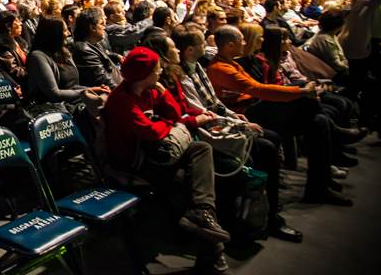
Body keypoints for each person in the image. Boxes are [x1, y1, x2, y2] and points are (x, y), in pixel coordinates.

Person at [104, 47, 231, 272]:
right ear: (145, 73)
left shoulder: (150, 91)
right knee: (189, 180)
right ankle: (212, 247)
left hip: (158, 153)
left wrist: (163, 95)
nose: (160, 72)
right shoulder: (121, 100)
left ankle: (202, 213)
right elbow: (152, 131)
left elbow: (175, 114)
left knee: (201, 149)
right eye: (157, 69)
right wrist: (176, 126)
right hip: (136, 161)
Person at [171, 24, 302, 242]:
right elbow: (201, 110)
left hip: (219, 118)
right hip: (207, 129)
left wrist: (234, 116)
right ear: (191, 50)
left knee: (272, 138)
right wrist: (237, 122)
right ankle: (258, 218)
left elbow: (214, 102)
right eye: (203, 43)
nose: (209, 44)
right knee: (265, 147)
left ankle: (267, 211)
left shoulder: (199, 67)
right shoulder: (186, 73)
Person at [207, 26, 351, 205]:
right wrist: (300, 91)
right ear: (229, 45)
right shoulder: (221, 68)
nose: (246, 43)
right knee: (309, 105)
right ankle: (320, 182)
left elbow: (257, 88)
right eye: (241, 40)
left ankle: (320, 184)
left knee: (319, 121)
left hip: (254, 106)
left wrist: (299, 91)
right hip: (245, 112)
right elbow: (256, 89)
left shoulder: (232, 63)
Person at [26, 16, 107, 111]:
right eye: (64, 31)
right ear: (53, 35)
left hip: (73, 102)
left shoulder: (63, 52)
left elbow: (72, 86)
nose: (68, 33)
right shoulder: (37, 57)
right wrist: (88, 91)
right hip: (55, 109)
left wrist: (95, 89)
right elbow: (54, 94)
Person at [339, 0, 381, 128]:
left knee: (361, 85)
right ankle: (362, 120)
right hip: (361, 50)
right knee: (359, 86)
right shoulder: (365, 0)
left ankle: (364, 119)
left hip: (360, 48)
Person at [71, 7, 122, 88]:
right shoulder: (83, 50)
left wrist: (116, 56)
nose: (105, 27)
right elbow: (103, 80)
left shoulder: (94, 43)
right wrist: (127, 92)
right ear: (92, 27)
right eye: (102, 24)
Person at [0, 11, 28, 90]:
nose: (20, 24)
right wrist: (34, 71)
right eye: (17, 21)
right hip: (19, 85)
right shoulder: (2, 45)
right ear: (8, 26)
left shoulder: (19, 40)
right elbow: (13, 70)